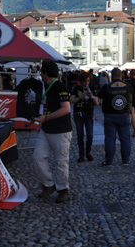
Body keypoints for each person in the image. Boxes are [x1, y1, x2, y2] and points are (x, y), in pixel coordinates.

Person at [33, 60, 73, 204]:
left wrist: (46, 118)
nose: (40, 75)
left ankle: (63, 190)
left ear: (45, 73)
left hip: (60, 130)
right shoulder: (46, 86)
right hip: (46, 129)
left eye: (41, 72)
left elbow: (66, 109)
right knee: (38, 156)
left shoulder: (59, 86)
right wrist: (43, 121)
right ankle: (49, 184)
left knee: (61, 162)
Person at [97, 68, 133, 166]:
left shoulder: (107, 87)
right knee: (125, 139)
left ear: (111, 77)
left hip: (110, 115)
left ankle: (109, 161)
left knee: (110, 139)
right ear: (121, 76)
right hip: (124, 114)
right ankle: (126, 160)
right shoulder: (128, 86)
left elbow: (99, 96)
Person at [70, 71, 98, 162]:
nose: (86, 83)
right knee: (80, 135)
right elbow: (71, 100)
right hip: (78, 113)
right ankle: (81, 155)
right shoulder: (77, 88)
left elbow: (97, 102)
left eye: (88, 81)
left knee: (90, 135)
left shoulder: (92, 89)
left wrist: (92, 96)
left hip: (89, 114)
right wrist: (80, 97)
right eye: (85, 81)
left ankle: (88, 153)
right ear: (81, 81)